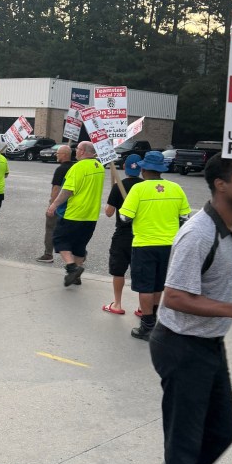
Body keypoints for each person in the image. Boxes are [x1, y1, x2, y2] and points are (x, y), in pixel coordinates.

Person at [128, 155, 232, 464]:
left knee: (223, 431)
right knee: (184, 444)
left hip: (208, 344)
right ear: (221, 185)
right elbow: (174, 296)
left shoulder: (230, 227)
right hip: (181, 346)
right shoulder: (198, 232)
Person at [120, 151, 191, 340]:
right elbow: (185, 217)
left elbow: (125, 217)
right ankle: (156, 321)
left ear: (143, 169)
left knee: (145, 287)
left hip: (145, 243)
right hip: (169, 244)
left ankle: (147, 325)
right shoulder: (176, 188)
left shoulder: (138, 189)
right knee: (159, 285)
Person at [46, 141, 104, 287]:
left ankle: (72, 268)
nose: (75, 152)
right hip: (91, 215)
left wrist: (54, 205)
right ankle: (76, 274)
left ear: (83, 152)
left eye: (77, 149)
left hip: (74, 213)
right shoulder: (100, 167)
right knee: (80, 245)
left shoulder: (78, 167)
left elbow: (67, 190)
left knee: (59, 239)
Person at [102, 154, 144, 314]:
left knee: (118, 269)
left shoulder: (118, 186)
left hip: (123, 234)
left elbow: (109, 213)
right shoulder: (144, 187)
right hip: (141, 234)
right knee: (140, 271)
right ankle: (142, 307)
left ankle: (117, 304)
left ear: (125, 167)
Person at [36, 144, 74, 263]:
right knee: (72, 230)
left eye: (58, 153)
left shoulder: (60, 169)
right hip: (72, 205)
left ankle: (48, 254)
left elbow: (56, 189)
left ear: (64, 155)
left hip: (59, 205)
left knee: (50, 228)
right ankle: (79, 254)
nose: (56, 155)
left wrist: (52, 206)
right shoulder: (75, 168)